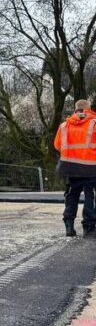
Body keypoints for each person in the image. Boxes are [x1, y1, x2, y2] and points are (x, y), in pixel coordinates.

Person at [54, 99, 96, 237]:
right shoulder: (94, 123)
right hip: (92, 167)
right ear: (89, 108)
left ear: (75, 109)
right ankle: (89, 227)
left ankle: (69, 226)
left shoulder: (64, 125)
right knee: (91, 195)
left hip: (71, 167)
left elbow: (57, 146)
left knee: (72, 195)